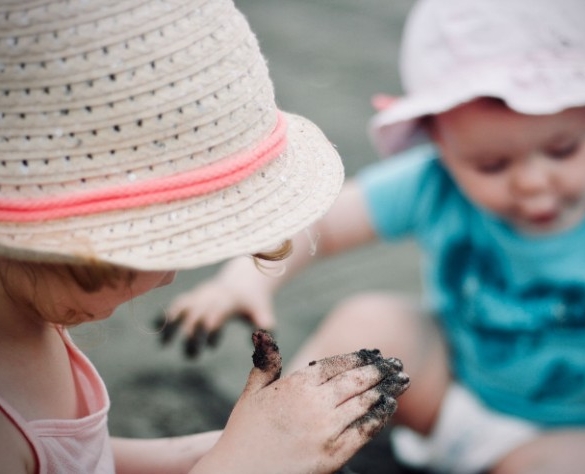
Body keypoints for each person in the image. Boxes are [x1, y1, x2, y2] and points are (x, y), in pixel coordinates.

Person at [161, 0, 585, 473]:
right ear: (439, 141)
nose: (532, 181)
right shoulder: (435, 181)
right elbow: (325, 221)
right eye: (491, 165)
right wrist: (245, 280)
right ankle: (281, 438)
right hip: (442, 387)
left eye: (561, 150)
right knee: (371, 319)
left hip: (564, 431)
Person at [0, 0, 412, 473]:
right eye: (157, 244)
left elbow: (82, 461)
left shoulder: (24, 321)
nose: (167, 277)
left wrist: (219, 450)